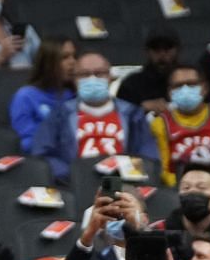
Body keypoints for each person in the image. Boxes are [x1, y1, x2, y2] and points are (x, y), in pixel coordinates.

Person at [29, 49, 157, 181]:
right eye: (84, 74)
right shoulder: (59, 115)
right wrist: (73, 174)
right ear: (74, 79)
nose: (92, 79)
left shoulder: (132, 114)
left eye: (99, 73)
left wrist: (127, 173)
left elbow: (149, 155)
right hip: (74, 188)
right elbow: (42, 154)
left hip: (123, 186)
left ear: (110, 77)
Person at [8, 35, 76, 151]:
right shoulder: (25, 97)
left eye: (74, 56)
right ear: (48, 63)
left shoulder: (76, 94)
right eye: (64, 57)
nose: (73, 62)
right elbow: (26, 141)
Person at [116, 27, 180, 113]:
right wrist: (141, 107)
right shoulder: (131, 84)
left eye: (167, 48)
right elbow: (119, 114)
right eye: (156, 49)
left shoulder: (188, 80)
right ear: (147, 51)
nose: (162, 54)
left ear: (177, 50)